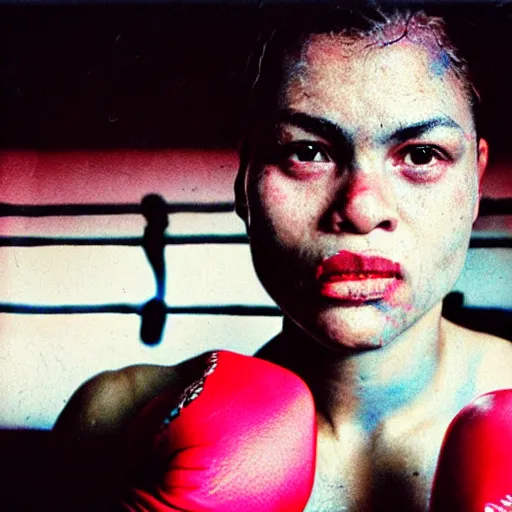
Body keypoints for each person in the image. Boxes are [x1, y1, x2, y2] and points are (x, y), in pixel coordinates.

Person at [52, 6, 512, 512]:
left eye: (422, 155)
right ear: (245, 183)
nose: (360, 209)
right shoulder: (117, 420)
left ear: (475, 187)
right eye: (308, 152)